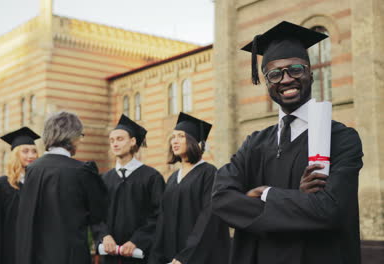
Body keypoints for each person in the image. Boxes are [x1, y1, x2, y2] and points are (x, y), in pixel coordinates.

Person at [212, 21, 363, 264]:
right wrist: (298, 200)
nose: (285, 79)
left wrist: (265, 194)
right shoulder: (254, 143)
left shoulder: (341, 138)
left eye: (295, 69)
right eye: (274, 74)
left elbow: (329, 209)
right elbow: (221, 198)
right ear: (266, 82)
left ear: (310, 73)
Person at [16, 111, 108, 264]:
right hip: (70, 256)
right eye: (80, 136)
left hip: (37, 256)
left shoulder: (32, 170)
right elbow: (98, 213)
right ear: (72, 137)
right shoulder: (82, 171)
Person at [149, 112, 230, 264]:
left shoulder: (209, 173)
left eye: (180, 136)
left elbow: (208, 219)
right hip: (172, 256)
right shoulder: (173, 179)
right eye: (173, 137)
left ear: (194, 141)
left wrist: (185, 257)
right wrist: (157, 255)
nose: (174, 141)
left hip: (198, 256)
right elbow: (163, 219)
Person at [92, 114, 165, 264]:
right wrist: (104, 236)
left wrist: (137, 240)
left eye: (120, 139)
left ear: (133, 141)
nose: (115, 144)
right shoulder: (104, 179)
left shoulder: (152, 177)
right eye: (112, 140)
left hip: (140, 254)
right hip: (110, 255)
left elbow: (159, 215)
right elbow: (96, 214)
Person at [0, 126, 40, 264]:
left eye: (34, 151)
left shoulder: (38, 186)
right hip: (8, 254)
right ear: (15, 155)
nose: (31, 155)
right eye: (25, 151)